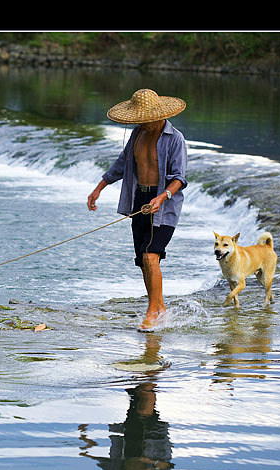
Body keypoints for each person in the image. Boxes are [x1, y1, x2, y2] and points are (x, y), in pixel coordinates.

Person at [87, 89, 188, 332]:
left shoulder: (175, 139)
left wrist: (163, 196)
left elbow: (179, 179)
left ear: (159, 115)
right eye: (139, 120)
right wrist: (99, 187)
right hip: (139, 200)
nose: (143, 123)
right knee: (143, 260)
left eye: (146, 119)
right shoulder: (138, 134)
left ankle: (152, 312)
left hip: (164, 203)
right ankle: (160, 308)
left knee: (151, 256)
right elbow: (122, 163)